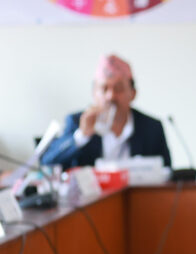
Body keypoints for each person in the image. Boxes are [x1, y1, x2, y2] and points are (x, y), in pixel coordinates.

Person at [41, 54, 171, 169]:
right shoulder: (77, 122)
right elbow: (47, 161)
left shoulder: (152, 128)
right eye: (104, 89)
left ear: (133, 93)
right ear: (94, 93)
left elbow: (167, 173)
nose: (111, 96)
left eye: (118, 89)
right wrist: (82, 135)